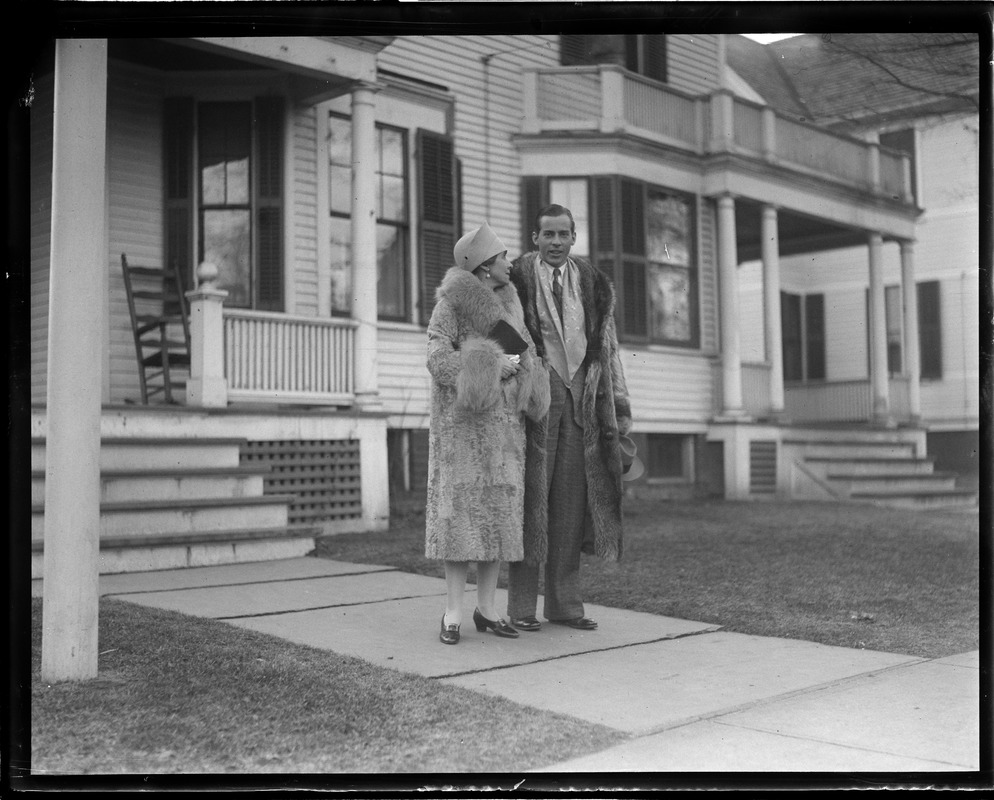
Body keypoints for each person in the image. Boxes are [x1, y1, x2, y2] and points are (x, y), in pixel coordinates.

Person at [507, 204, 632, 632]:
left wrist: (620, 413)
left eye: (563, 234)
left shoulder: (593, 283)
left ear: (574, 237)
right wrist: (522, 375)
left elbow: (609, 351)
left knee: (570, 504)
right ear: (535, 238)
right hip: (535, 403)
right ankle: (521, 608)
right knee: (531, 503)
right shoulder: (515, 278)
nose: (556, 242)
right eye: (548, 235)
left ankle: (564, 605)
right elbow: (498, 331)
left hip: (583, 402)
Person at [425, 221, 551, 645]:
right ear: (482, 267)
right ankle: (452, 613)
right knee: (459, 524)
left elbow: (528, 352)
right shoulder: (451, 306)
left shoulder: (512, 303)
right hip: (463, 432)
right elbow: (438, 359)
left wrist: (524, 372)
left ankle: (488, 609)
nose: (510, 262)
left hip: (504, 434)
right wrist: (493, 364)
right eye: (503, 257)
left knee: (498, 521)